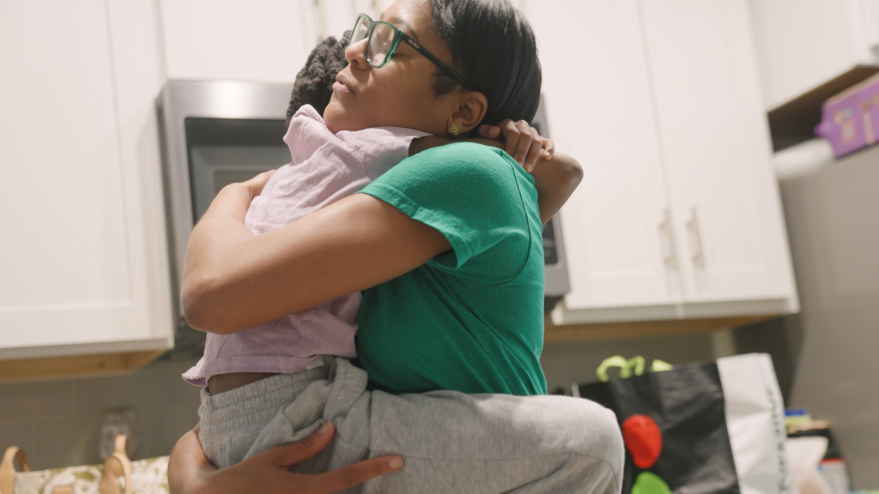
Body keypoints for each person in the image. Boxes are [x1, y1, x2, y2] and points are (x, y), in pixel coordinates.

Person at [170, 0, 624, 492]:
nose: (356, 50)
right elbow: (247, 392)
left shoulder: (461, 174)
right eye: (367, 31)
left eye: (392, 43)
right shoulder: (389, 221)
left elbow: (210, 295)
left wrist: (234, 193)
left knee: (593, 441)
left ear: (464, 109)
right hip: (389, 437)